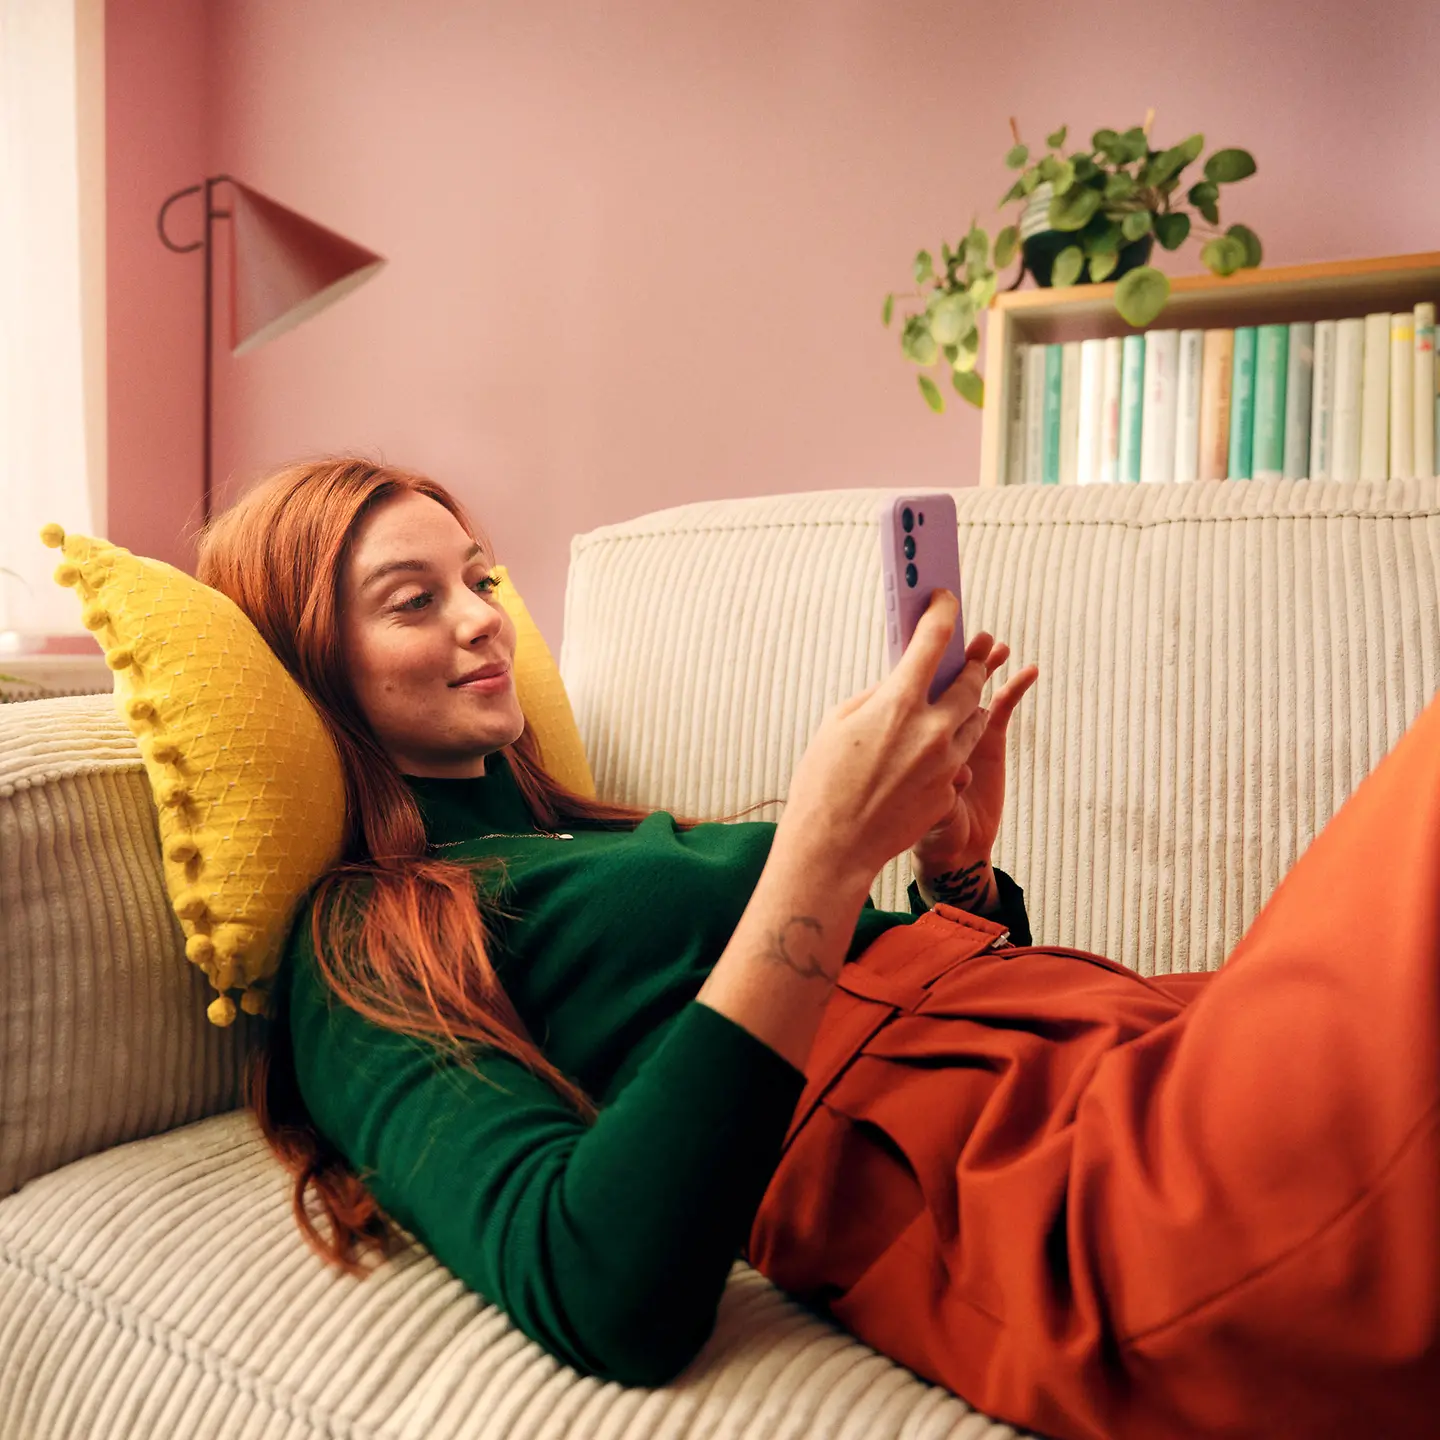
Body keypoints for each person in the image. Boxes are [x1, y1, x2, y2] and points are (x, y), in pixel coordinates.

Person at [199, 458, 1440, 1440]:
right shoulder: (364, 935)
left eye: (479, 579)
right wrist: (824, 857)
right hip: (1129, 1210)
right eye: (415, 601)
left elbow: (958, 1026)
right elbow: (599, 1289)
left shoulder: (588, 840)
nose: (484, 620)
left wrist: (953, 877)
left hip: (1154, 1058)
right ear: (313, 662)